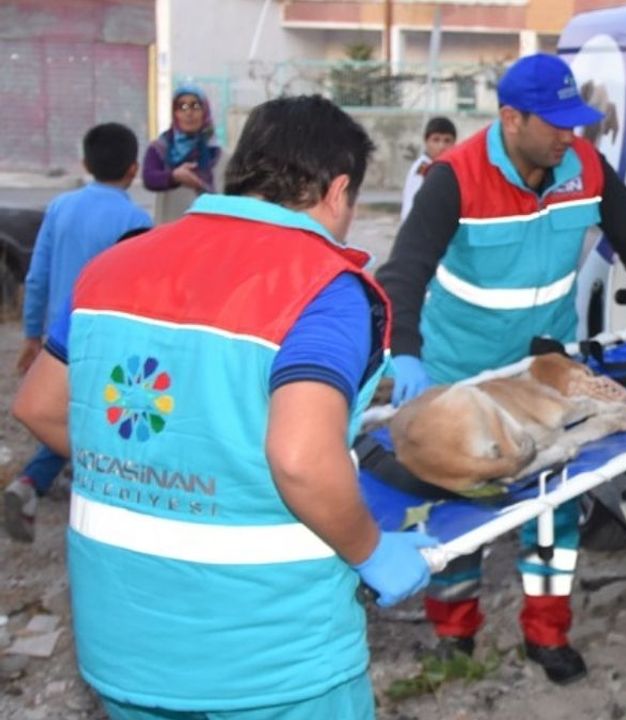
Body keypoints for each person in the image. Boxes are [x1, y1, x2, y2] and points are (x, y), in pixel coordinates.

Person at [12, 95, 435, 719]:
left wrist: (166, 465)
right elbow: (300, 460)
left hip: (125, 641)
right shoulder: (322, 287)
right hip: (269, 657)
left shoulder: (115, 267)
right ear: (338, 191)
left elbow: (40, 405)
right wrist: (371, 550)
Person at [376, 52, 626, 685]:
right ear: (511, 118)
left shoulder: (584, 168)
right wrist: (408, 353)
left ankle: (547, 633)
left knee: (553, 508)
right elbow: (405, 270)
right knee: (459, 512)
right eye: (556, 123)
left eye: (576, 122)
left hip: (542, 370)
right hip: (461, 373)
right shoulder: (455, 177)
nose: (571, 135)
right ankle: (454, 635)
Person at [5, 122, 152, 543]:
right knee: (94, 415)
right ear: (133, 169)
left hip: (59, 334)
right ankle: (40, 481)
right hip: (105, 338)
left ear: (84, 163)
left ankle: (36, 481)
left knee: (68, 410)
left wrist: (33, 335)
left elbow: (37, 275)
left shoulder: (60, 206)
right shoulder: (135, 219)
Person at [143, 84, 221, 223]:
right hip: (169, 229)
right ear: (175, 113)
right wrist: (174, 177)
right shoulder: (160, 148)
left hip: (208, 231)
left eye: (195, 106)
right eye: (182, 107)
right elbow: (149, 178)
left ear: (205, 112)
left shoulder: (217, 153)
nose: (188, 113)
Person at [401, 116, 457, 222]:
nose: (442, 146)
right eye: (436, 140)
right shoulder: (422, 169)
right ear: (426, 141)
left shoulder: (447, 167)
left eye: (447, 141)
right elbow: (411, 205)